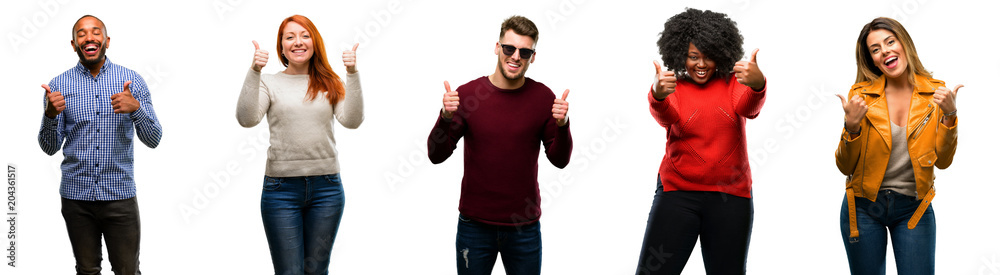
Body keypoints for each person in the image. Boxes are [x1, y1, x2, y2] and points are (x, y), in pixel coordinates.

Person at [426, 15, 572, 275]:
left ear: (532, 57)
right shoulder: (469, 95)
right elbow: (436, 155)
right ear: (497, 47)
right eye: (509, 48)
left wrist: (563, 125)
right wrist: (445, 118)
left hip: (523, 228)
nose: (516, 56)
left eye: (524, 52)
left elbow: (560, 160)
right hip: (474, 227)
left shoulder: (543, 98)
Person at [636, 8, 766, 275]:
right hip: (677, 195)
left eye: (708, 57)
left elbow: (749, 109)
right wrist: (658, 94)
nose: (701, 64)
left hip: (731, 198)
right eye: (694, 57)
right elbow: (666, 116)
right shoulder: (675, 87)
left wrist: (757, 85)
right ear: (681, 54)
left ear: (720, 55)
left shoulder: (733, 84)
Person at [237, 14, 363, 275]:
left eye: (305, 35)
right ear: (281, 47)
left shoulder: (331, 82)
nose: (298, 42)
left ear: (314, 43)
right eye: (290, 37)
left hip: (326, 189)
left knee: (316, 271)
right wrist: (254, 71)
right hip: (280, 190)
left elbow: (351, 121)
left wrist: (352, 73)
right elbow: (247, 119)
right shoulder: (269, 82)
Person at [37, 14, 163, 275]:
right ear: (74, 44)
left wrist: (136, 108)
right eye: (81, 34)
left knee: (128, 271)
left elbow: (154, 139)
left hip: (120, 197)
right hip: (76, 199)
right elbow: (49, 147)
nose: (89, 37)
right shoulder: (58, 86)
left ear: (106, 40)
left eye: (95, 32)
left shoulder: (132, 81)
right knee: (86, 270)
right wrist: (49, 115)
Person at [835, 17, 960, 275]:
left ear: (904, 43)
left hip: (914, 207)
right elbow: (844, 165)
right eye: (876, 49)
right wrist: (852, 126)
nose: (885, 51)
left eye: (890, 42)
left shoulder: (936, 94)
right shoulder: (861, 96)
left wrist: (949, 116)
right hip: (863, 207)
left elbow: (943, 162)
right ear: (872, 59)